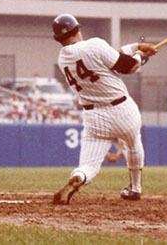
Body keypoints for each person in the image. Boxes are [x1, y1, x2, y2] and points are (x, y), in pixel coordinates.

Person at [50, 14, 157, 204]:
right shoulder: (95, 45)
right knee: (133, 144)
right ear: (77, 29)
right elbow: (127, 66)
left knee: (88, 165)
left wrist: (136, 47)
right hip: (122, 110)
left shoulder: (63, 58)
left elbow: (108, 56)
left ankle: (80, 176)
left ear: (58, 38)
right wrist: (141, 58)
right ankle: (135, 188)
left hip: (94, 116)